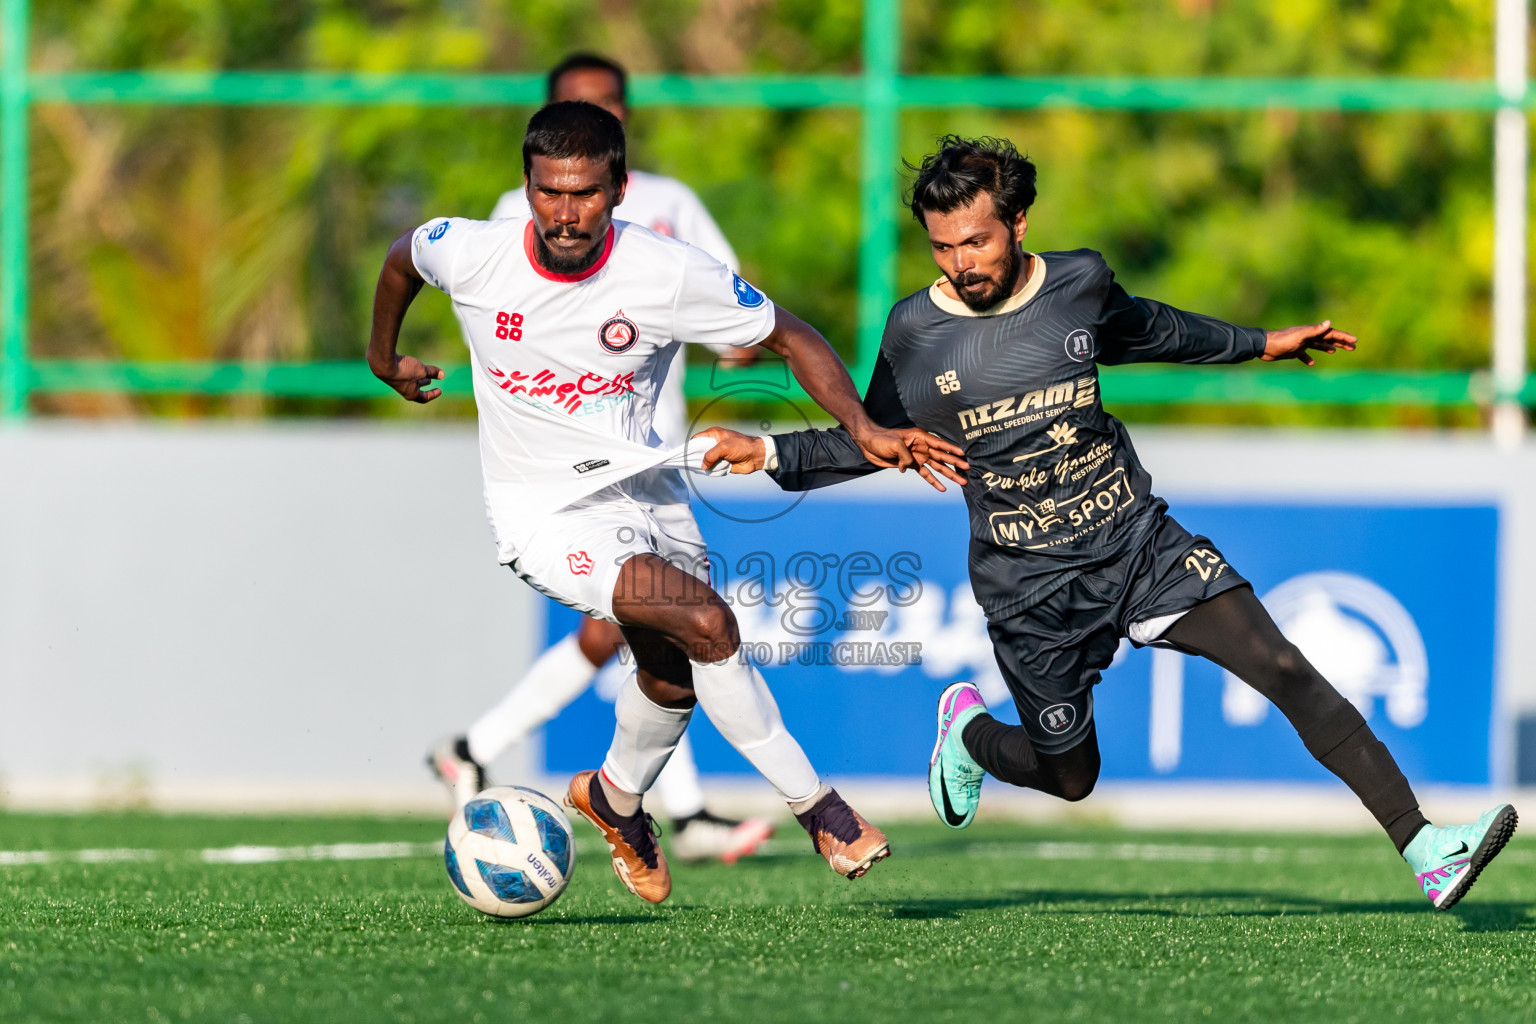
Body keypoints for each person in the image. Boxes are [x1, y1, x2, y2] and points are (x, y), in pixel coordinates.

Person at [699, 135, 1517, 912]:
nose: (962, 263)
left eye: (977, 242)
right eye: (943, 247)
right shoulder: (917, 331)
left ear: (1019, 222)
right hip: (1029, 588)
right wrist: (769, 454)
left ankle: (1425, 848)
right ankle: (973, 735)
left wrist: (1261, 342)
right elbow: (872, 439)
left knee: (1284, 665)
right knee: (1071, 777)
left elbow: (1153, 330)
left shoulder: (1079, 283)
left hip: (1136, 546)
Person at [369, 101, 959, 904]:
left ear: (617, 187)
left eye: (583, 193)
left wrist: (860, 425)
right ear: (528, 185)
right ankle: (819, 807)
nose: (564, 214)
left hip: (649, 493)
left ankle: (614, 799)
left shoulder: (664, 271)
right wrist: (384, 358)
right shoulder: (473, 252)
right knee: (709, 622)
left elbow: (790, 333)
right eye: (548, 192)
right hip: (542, 513)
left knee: (672, 677)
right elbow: (405, 255)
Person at [428, 52, 770, 865]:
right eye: (579, 107)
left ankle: (476, 747)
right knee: (652, 628)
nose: (566, 202)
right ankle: (677, 813)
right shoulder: (519, 210)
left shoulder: (670, 204)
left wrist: (736, 336)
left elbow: (734, 310)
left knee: (627, 635)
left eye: (610, 104)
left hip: (658, 458)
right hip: (570, 475)